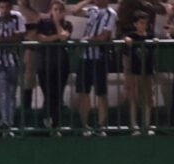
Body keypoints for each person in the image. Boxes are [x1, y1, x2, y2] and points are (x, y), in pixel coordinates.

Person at [72, 0, 117, 136]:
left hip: (99, 57)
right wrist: (88, 1)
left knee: (101, 92)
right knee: (83, 91)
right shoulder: (92, 10)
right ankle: (85, 125)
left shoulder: (110, 14)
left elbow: (104, 36)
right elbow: (75, 11)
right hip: (85, 57)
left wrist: (87, 39)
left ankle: (100, 125)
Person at [0, 0, 26, 134]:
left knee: (12, 93)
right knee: (3, 91)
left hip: (13, 61)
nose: (3, 10)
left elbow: (20, 36)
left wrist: (1, 40)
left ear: (11, 7)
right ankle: (5, 122)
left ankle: (9, 121)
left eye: (6, 7)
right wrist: (10, 39)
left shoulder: (18, 16)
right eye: (1, 7)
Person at [35, 0, 71, 132]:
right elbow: (41, 38)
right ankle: (46, 121)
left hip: (61, 65)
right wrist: (56, 36)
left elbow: (64, 38)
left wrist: (57, 23)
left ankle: (56, 125)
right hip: (45, 64)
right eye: (54, 9)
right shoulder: (43, 23)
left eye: (59, 10)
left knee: (58, 94)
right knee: (48, 94)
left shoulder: (67, 24)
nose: (56, 12)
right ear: (50, 10)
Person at [123, 11, 155, 135]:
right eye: (141, 23)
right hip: (135, 72)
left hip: (147, 71)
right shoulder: (132, 36)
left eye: (145, 23)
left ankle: (146, 125)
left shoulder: (150, 36)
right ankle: (134, 125)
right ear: (135, 24)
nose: (144, 26)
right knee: (134, 99)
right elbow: (124, 39)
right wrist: (126, 39)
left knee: (148, 98)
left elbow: (153, 46)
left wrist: (156, 41)